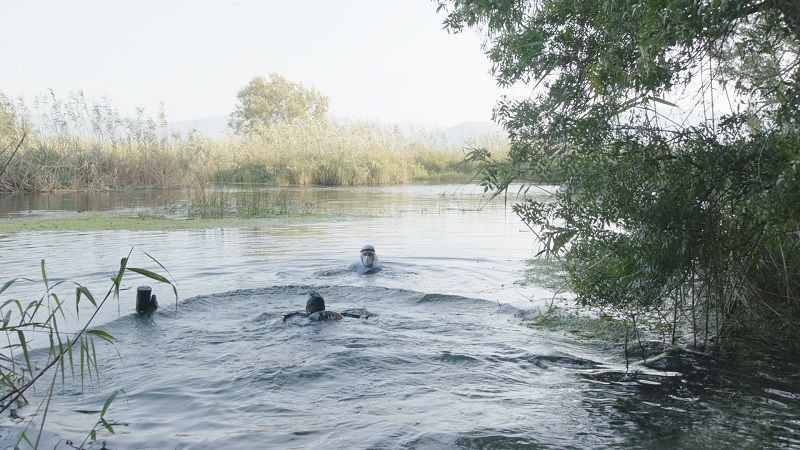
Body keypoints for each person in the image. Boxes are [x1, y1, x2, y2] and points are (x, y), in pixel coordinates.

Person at [282, 292, 370, 322]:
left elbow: (288, 316)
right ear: (324, 307)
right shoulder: (336, 314)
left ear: (306, 309)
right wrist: (364, 317)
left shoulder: (304, 316)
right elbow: (348, 314)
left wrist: (284, 318)